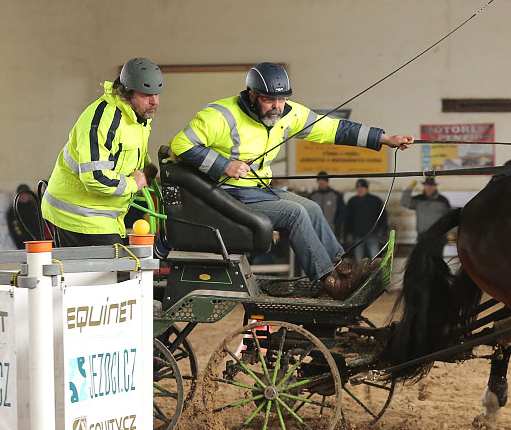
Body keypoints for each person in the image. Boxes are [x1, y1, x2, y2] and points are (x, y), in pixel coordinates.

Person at [170, 62, 413, 299]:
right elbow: (181, 144)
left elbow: (334, 129)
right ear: (252, 96)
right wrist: (225, 165)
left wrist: (385, 138)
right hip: (226, 194)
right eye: (269, 100)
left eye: (282, 99)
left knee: (312, 207)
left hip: (258, 189)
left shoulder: (289, 113)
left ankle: (341, 268)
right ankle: (330, 283)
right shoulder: (221, 115)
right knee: (294, 213)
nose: (277, 107)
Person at [42, 58, 162, 246]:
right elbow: (95, 177)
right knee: (117, 272)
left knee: (121, 270)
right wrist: (133, 184)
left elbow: (129, 153)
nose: (155, 101)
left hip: (104, 213)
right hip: (79, 214)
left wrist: (150, 171)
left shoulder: (137, 118)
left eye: (156, 94)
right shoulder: (103, 120)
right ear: (128, 93)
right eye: (146, 95)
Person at [345, 179, 387, 263]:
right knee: (359, 261)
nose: (360, 189)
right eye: (358, 187)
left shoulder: (375, 201)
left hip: (372, 235)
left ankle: (376, 275)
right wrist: (347, 233)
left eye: (362, 187)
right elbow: (348, 218)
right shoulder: (352, 201)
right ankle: (360, 276)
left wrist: (383, 230)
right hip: (357, 236)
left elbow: (383, 216)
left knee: (375, 260)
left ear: (366, 188)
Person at [308, 171, 346, 237]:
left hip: (332, 230)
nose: (321, 182)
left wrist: (335, 223)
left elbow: (342, 212)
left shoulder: (336, 195)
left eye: (323, 180)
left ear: (327, 181)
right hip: (316, 230)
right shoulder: (313, 196)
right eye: (319, 180)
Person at [7, 184, 42, 248]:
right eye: (22, 194)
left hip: (38, 241)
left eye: (26, 194)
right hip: (23, 243)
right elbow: (15, 228)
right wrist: (24, 240)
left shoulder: (34, 207)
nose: (24, 196)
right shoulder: (14, 210)